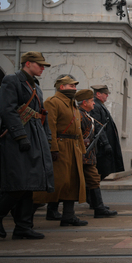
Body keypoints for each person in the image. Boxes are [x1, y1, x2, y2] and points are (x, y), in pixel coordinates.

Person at [0, 51, 53, 240]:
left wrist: (47, 138)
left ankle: (23, 227)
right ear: (27, 63)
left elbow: (42, 114)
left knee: (30, 183)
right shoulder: (12, 80)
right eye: (39, 64)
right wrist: (20, 136)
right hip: (19, 138)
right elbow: (8, 111)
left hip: (35, 136)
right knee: (17, 183)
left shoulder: (35, 85)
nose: (42, 68)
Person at [34, 75, 88, 227]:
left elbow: (77, 130)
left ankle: (68, 216)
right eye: (71, 86)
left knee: (72, 183)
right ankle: (25, 217)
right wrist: (52, 148)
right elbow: (50, 126)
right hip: (61, 146)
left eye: (75, 86)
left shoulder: (72, 104)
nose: (75, 89)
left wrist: (82, 151)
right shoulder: (53, 102)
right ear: (61, 87)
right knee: (57, 183)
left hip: (73, 147)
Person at [75, 89, 118, 218]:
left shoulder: (87, 116)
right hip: (79, 154)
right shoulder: (79, 116)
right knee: (68, 182)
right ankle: (56, 210)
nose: (94, 103)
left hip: (88, 156)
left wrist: (105, 143)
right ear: (84, 102)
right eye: (91, 101)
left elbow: (98, 129)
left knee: (94, 179)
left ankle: (98, 208)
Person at [89, 85, 124, 180]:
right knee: (99, 172)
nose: (107, 96)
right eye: (105, 94)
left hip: (104, 144)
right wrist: (105, 143)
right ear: (98, 94)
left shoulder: (100, 105)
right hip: (101, 146)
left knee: (103, 172)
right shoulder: (96, 106)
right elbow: (98, 126)